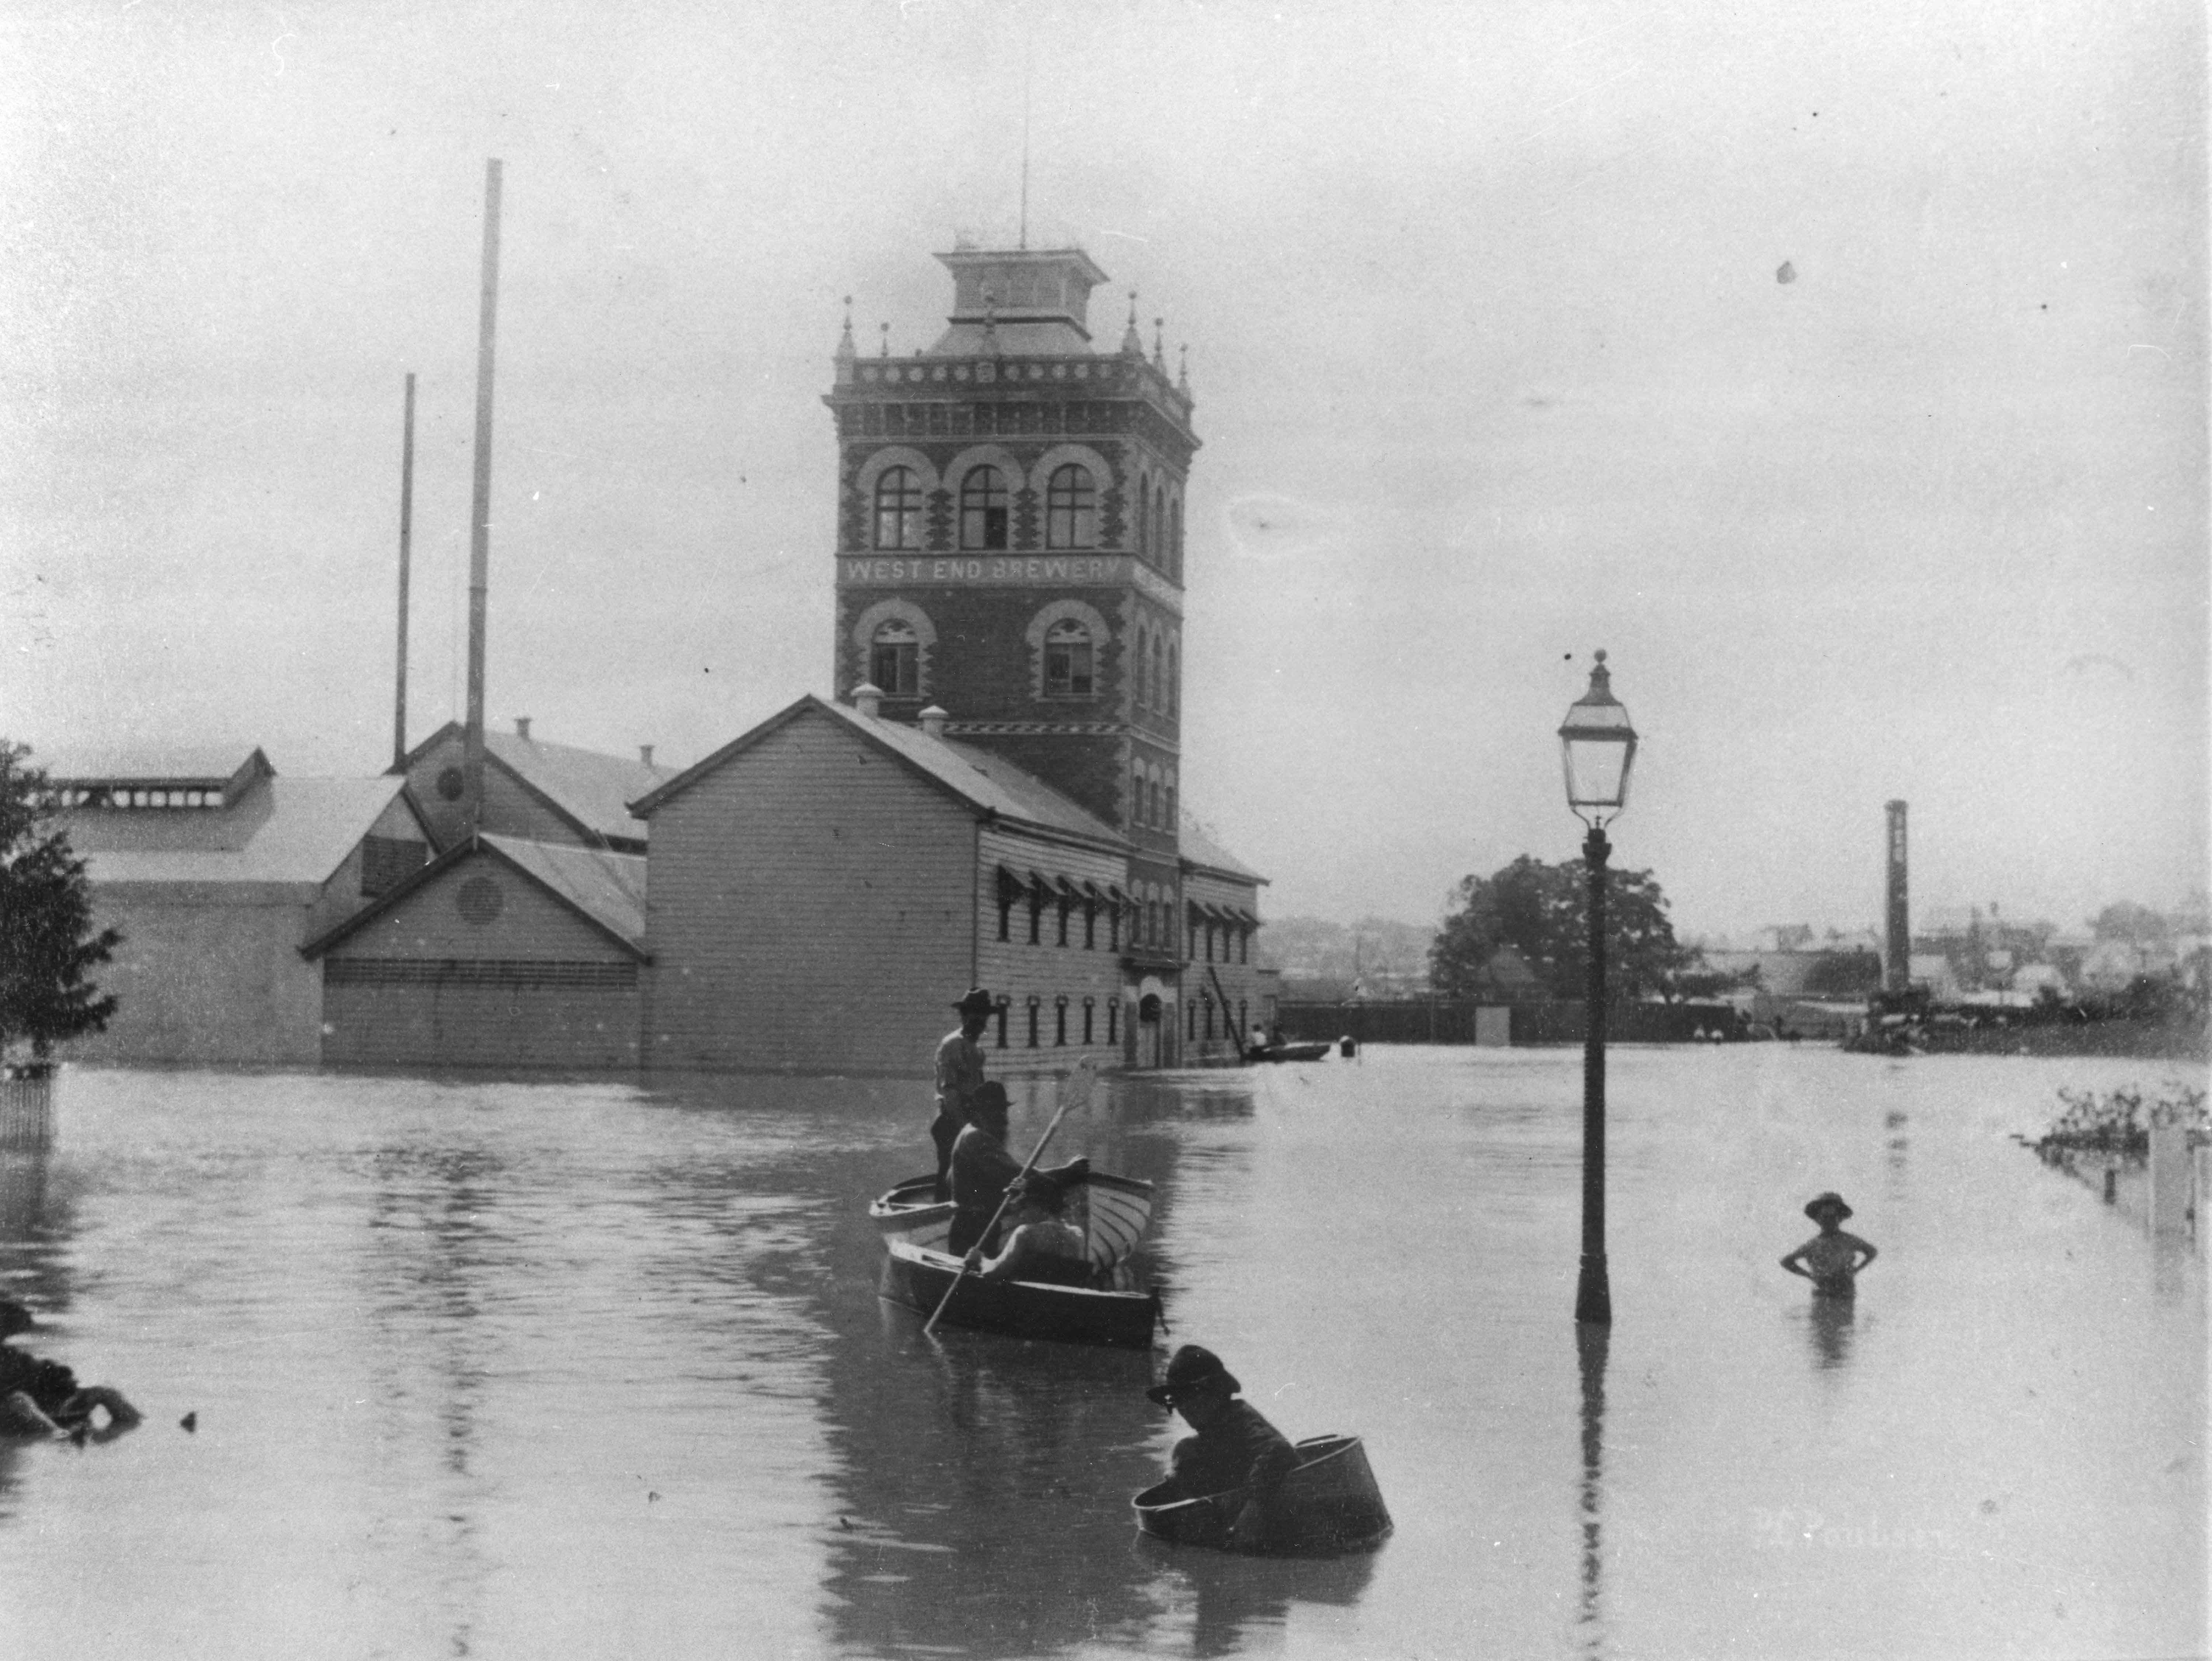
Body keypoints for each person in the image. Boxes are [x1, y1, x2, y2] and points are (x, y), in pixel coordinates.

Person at [1148, 1345, 1298, 1543]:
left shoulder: (1240, 1419)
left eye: (1191, 1396)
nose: (1184, 1407)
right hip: (1230, 1499)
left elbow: (1278, 1449)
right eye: (1177, 1399)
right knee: (1184, 1452)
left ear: (1217, 1393)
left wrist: (1254, 1508)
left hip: (1273, 1502)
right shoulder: (1204, 1437)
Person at [946, 1082, 1086, 1257]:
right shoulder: (977, 1138)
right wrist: (1068, 1172)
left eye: (1003, 1110)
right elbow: (1019, 1175)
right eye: (994, 1110)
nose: (1002, 1117)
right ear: (978, 1112)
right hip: (973, 1226)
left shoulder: (971, 1133)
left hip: (978, 1222)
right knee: (980, 1272)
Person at [0, 1297, 141, 1442]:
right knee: (20, 1402)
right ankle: (61, 1436)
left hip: (37, 1409)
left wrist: (60, 1378)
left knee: (105, 1393)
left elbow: (42, 1372)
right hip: (15, 1411)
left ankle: (137, 1429)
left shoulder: (12, 1356)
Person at [967, 1174, 1091, 1287]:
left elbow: (995, 1272)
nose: (1021, 1215)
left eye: (1024, 1207)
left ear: (1043, 1207)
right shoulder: (1078, 1235)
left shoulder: (1026, 1233)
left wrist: (980, 1260)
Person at [932, 989, 997, 1201]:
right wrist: (965, 1130)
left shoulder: (976, 1049)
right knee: (950, 1173)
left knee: (973, 1174)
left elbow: (980, 1088)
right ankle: (940, 1215)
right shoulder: (953, 1045)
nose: (981, 1021)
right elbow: (950, 1092)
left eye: (984, 1016)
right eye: (975, 1015)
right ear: (964, 1016)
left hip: (971, 1119)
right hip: (953, 1120)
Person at [1780, 1192, 1878, 1298]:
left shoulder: (1849, 1240)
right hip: (1822, 1293)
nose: (1829, 1221)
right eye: (1825, 1217)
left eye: (1833, 1217)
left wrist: (1856, 1270)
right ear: (1817, 1219)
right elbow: (1787, 1262)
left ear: (1841, 1218)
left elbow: (1872, 1252)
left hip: (1846, 1292)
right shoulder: (1813, 1244)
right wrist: (1810, 1276)